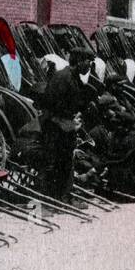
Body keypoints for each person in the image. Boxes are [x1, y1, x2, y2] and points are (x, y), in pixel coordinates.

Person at [37, 48, 96, 204]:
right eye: (88, 62)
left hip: (63, 125)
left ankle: (62, 197)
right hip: (56, 126)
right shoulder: (64, 78)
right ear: (79, 60)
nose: (89, 66)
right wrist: (71, 119)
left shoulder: (73, 77)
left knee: (64, 162)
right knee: (56, 163)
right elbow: (53, 104)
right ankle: (53, 199)